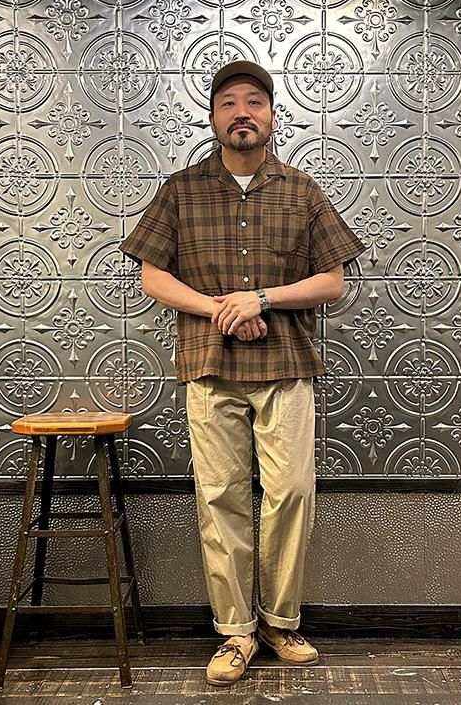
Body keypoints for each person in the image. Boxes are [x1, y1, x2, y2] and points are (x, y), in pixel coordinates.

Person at [120, 60, 365, 686]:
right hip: (209, 364)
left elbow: (332, 282)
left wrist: (260, 300)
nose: (241, 113)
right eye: (228, 102)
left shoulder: (302, 191)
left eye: (254, 101)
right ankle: (236, 633)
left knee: (292, 493)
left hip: (287, 366)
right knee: (219, 496)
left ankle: (281, 622)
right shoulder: (180, 190)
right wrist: (222, 310)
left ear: (273, 116)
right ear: (212, 118)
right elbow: (153, 277)